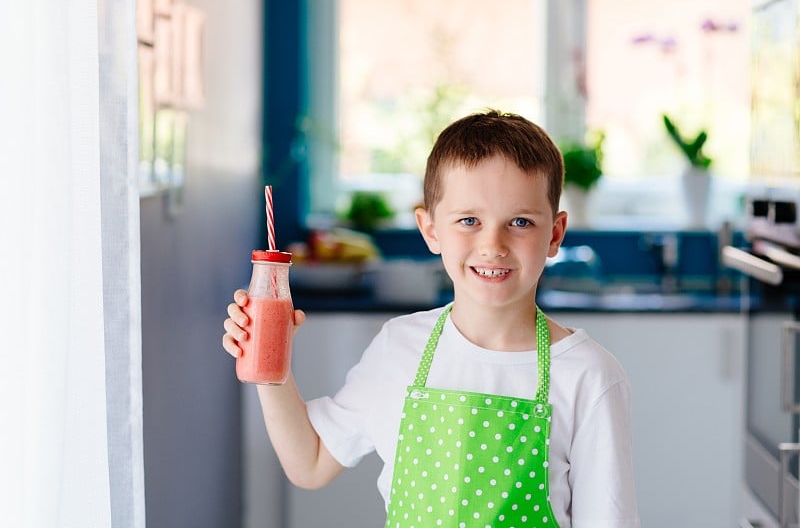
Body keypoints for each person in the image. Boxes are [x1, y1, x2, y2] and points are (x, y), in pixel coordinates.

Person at [223, 110, 640, 527]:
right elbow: (310, 462)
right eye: (469, 221)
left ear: (555, 233)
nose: (492, 245)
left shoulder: (589, 376)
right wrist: (269, 368)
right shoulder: (399, 346)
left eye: (520, 222)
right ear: (430, 229)